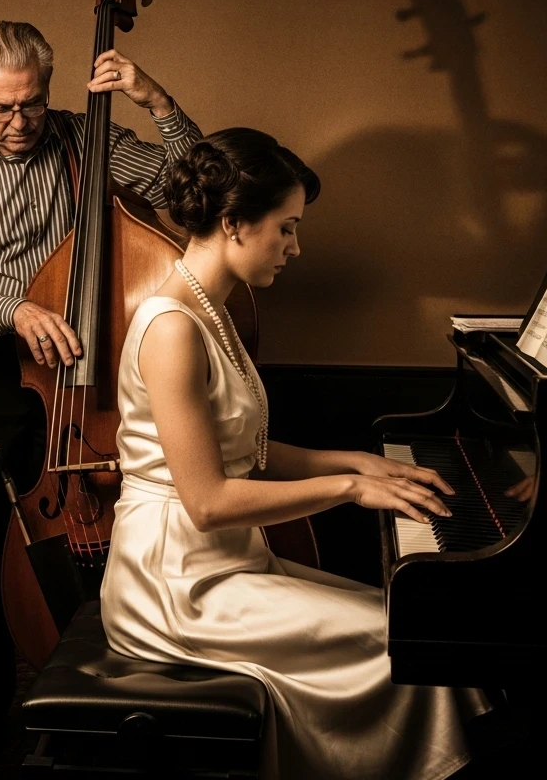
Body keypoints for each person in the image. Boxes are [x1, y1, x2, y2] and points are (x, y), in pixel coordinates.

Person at [99, 128, 491, 779]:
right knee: (408, 646)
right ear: (233, 223)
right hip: (175, 586)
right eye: (285, 228)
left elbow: (241, 451)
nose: (295, 247)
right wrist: (348, 490)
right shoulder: (171, 327)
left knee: (404, 624)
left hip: (222, 566)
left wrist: (353, 461)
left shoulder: (214, 311)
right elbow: (208, 500)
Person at [0, 20, 201, 758]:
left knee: (113, 528)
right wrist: (14, 310)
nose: (16, 123)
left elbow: (199, 189)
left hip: (92, 375)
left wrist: (156, 100)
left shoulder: (88, 137)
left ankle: (109, 696)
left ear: (49, 86)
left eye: (31, 104)